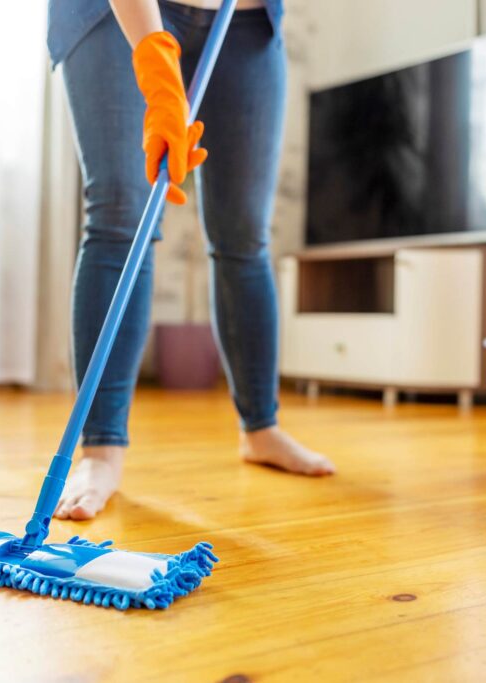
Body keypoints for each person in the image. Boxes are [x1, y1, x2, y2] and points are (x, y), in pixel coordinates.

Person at [46, 0, 336, 521]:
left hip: (242, 22)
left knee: (244, 233)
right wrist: (155, 62)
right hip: (121, 14)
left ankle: (261, 429)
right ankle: (100, 451)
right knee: (120, 214)